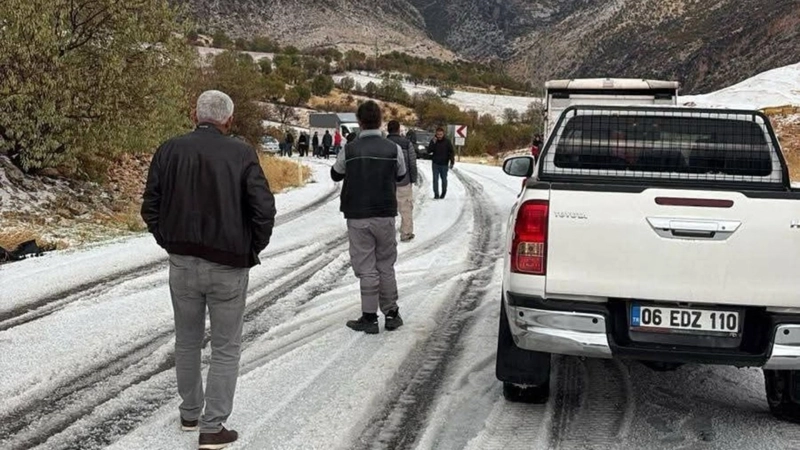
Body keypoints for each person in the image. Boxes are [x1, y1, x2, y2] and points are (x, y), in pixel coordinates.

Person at [141, 90, 276, 449]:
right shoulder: (243, 153)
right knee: (226, 346)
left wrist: (168, 240)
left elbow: (150, 205)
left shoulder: (168, 150)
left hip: (181, 262)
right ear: (229, 120)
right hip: (228, 264)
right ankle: (213, 426)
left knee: (186, 340)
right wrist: (249, 248)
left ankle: (190, 413)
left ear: (193, 114)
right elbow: (264, 210)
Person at [331, 101, 406, 334]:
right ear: (380, 121)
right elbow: (402, 175)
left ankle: (369, 317)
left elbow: (336, 173)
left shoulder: (350, 148)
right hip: (385, 213)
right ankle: (392, 313)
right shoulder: (393, 149)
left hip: (358, 214)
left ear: (360, 121)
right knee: (386, 264)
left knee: (366, 267)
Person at [387, 120, 417, 242]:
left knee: (387, 210)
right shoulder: (406, 143)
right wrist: (413, 178)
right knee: (406, 209)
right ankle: (406, 233)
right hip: (404, 181)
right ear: (399, 129)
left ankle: (387, 236)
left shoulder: (383, 143)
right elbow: (412, 162)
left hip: (386, 183)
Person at [427, 127, 455, 199]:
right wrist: (433, 142)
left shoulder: (447, 142)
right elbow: (429, 151)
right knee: (435, 180)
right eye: (438, 134)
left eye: (441, 134)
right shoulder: (433, 141)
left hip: (444, 164)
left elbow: (451, 152)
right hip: (435, 163)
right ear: (436, 134)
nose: (439, 136)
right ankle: (436, 194)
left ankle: (443, 193)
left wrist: (452, 161)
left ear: (443, 134)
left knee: (444, 180)